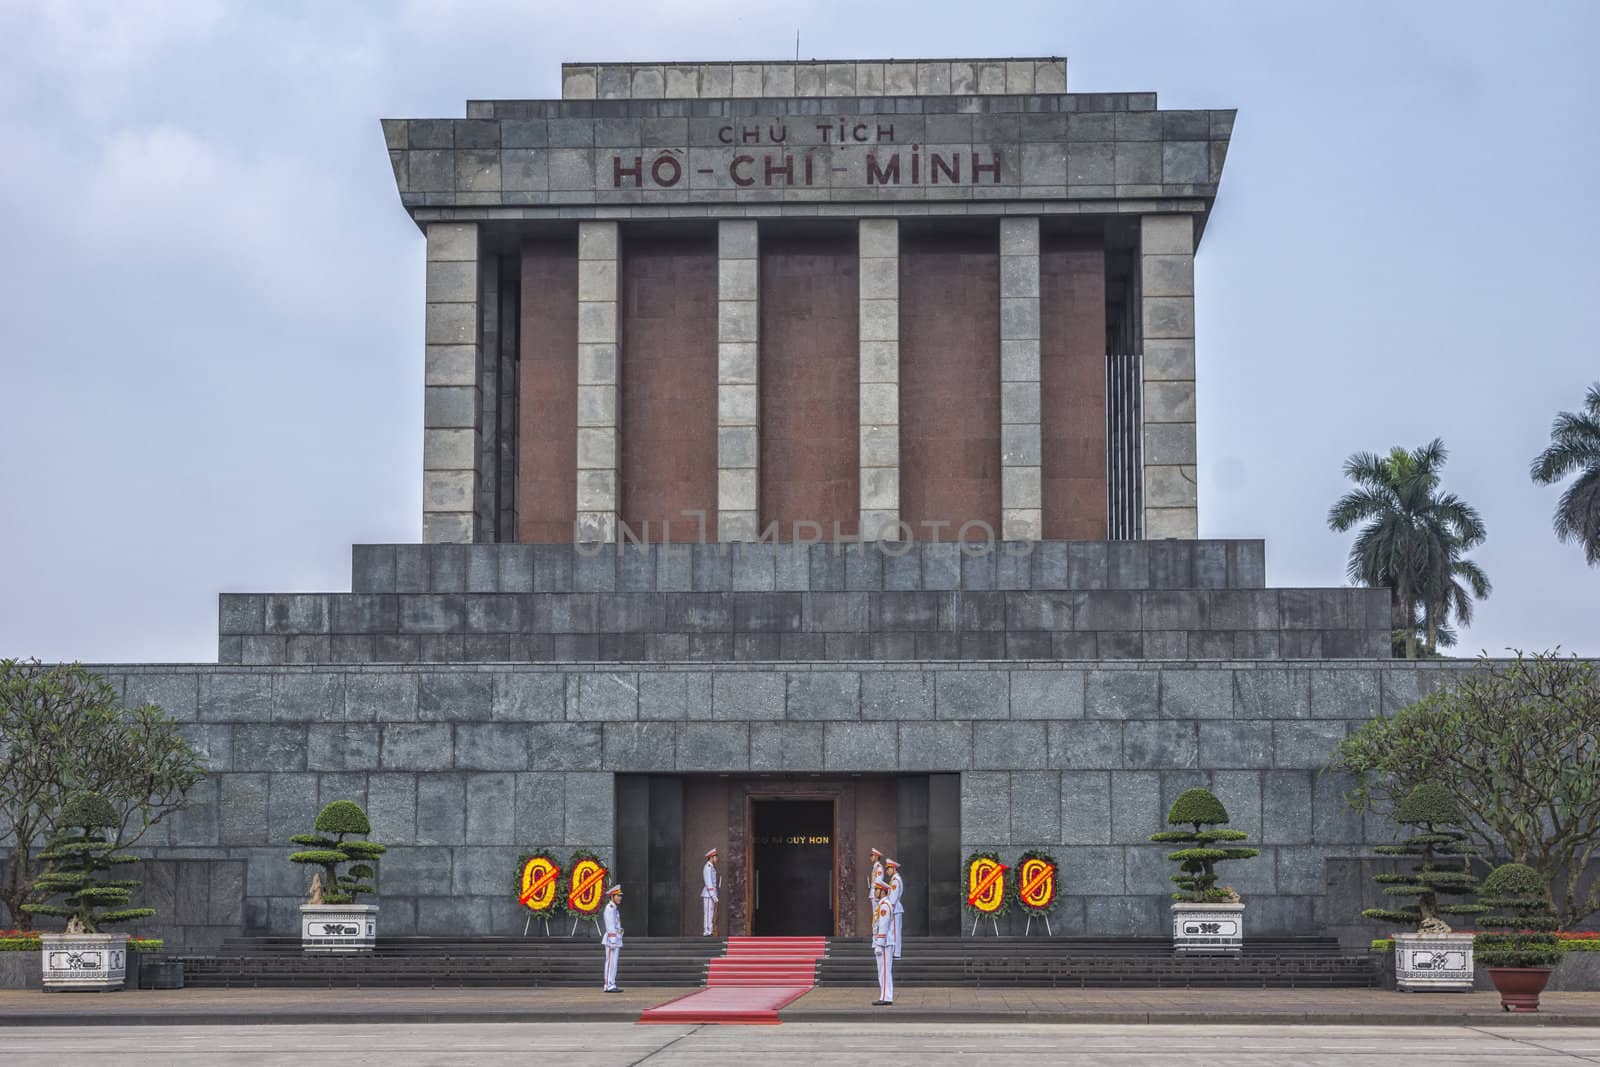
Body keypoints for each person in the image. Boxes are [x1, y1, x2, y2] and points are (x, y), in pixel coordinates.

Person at [871, 878, 894, 1006]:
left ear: (883, 891)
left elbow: (884, 925)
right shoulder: (882, 904)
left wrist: (879, 944)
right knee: (882, 971)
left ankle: (886, 996)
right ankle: (885, 995)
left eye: (877, 889)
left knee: (884, 971)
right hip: (882, 942)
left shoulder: (885, 905)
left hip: (884, 943)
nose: (874, 892)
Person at [601, 883, 624, 992]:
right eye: (617, 895)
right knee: (610, 963)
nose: (620, 898)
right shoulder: (610, 908)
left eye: (620, 896)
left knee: (613, 963)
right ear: (612, 896)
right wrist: (613, 940)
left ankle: (612, 983)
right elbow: (610, 926)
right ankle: (608, 985)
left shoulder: (614, 908)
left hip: (616, 939)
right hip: (611, 940)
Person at [885, 857, 905, 959]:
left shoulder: (895, 880)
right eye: (887, 869)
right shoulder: (894, 879)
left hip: (895, 909)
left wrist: (890, 909)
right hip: (895, 908)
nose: (887, 871)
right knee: (894, 931)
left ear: (894, 869)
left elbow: (893, 897)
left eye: (889, 869)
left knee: (895, 931)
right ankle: (895, 952)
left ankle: (896, 953)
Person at [701, 848, 719, 936]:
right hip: (708, 894)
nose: (717, 859)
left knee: (711, 913)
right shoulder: (707, 867)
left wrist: (715, 894)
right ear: (711, 857)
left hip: (712, 894)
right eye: (715, 857)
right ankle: (707, 931)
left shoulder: (711, 867)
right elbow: (708, 883)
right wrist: (713, 895)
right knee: (708, 913)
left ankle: (710, 930)